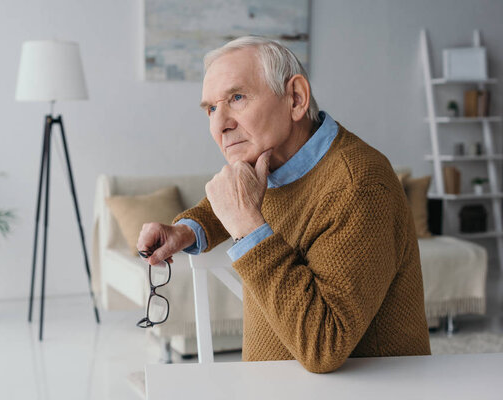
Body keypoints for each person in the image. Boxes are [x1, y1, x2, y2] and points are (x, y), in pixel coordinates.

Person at [137, 36, 431, 373]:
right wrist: (184, 230)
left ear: (296, 98)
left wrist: (248, 227)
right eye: (211, 108)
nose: (220, 125)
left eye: (237, 97)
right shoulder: (271, 162)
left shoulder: (359, 185)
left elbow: (324, 345)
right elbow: (241, 196)